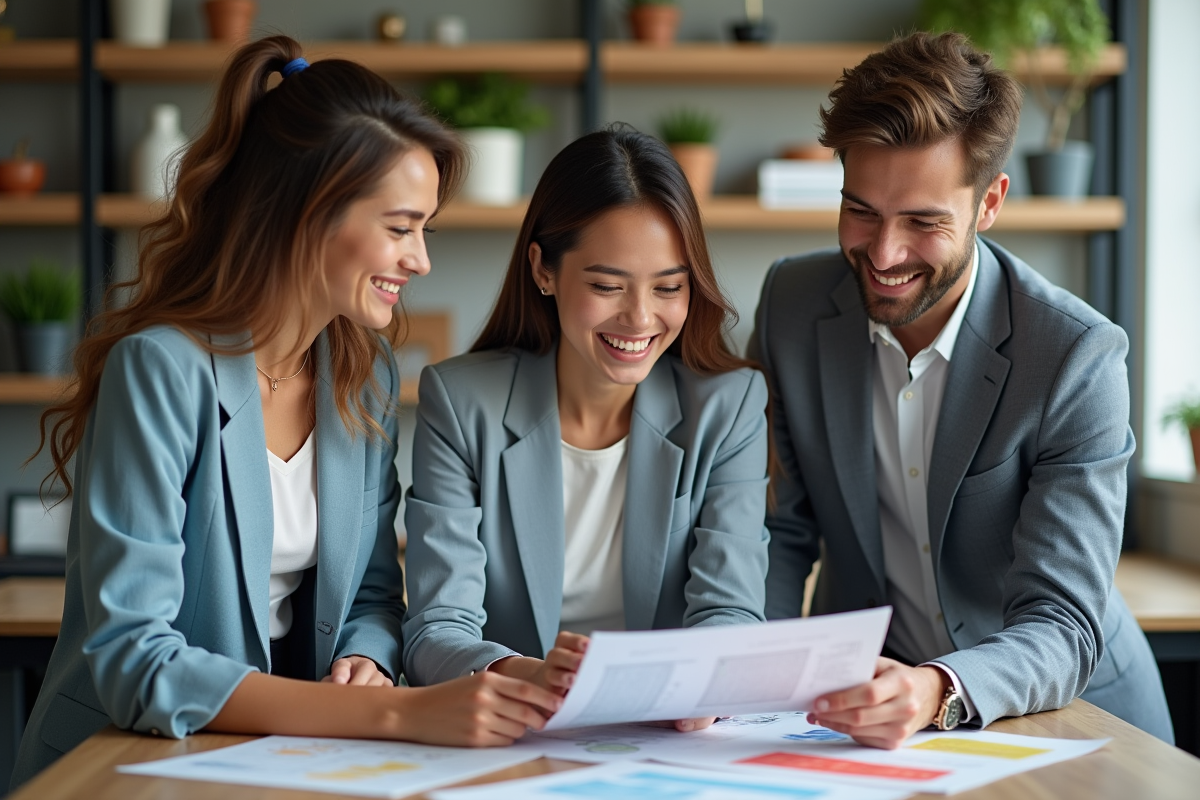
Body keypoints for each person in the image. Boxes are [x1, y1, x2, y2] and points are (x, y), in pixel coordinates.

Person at [11, 35, 563, 790]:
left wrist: (366, 661)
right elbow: (132, 659)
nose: (420, 260)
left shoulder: (359, 380)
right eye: (401, 228)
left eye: (423, 232)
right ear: (309, 211)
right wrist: (396, 714)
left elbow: (372, 592)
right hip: (124, 762)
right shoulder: (162, 370)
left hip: (277, 757)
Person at [751, 31, 1173, 749]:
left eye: (922, 222)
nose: (884, 255)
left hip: (1065, 720)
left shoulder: (1076, 356)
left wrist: (936, 687)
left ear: (989, 203)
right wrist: (742, 676)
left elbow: (1062, 623)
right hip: (864, 714)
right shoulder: (792, 305)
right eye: (861, 211)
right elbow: (782, 532)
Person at [402, 127, 770, 731]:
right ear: (543, 269)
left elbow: (730, 608)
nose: (640, 318)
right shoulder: (463, 401)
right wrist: (526, 677)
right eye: (606, 286)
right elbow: (436, 630)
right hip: (516, 737)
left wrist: (705, 682)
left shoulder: (728, 405)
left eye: (669, 287)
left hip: (667, 741)